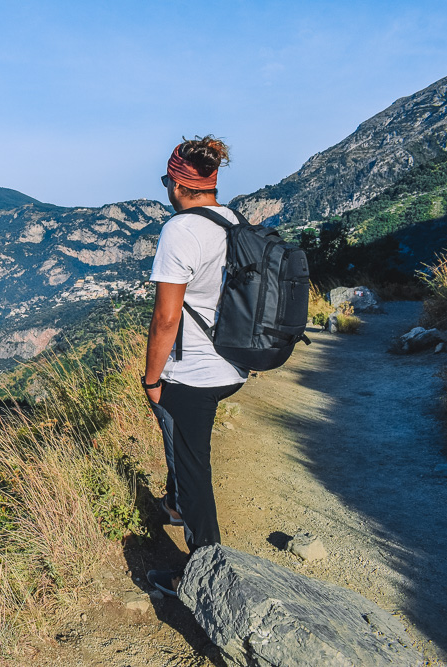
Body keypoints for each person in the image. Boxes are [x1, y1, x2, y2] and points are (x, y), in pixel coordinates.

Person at [143, 136, 248, 597]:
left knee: (193, 468)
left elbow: (166, 317)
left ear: (179, 183)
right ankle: (175, 504)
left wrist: (151, 379)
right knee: (184, 444)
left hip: (195, 373)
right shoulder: (231, 219)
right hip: (233, 364)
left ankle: (204, 574)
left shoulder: (181, 229)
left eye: (167, 179)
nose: (166, 187)